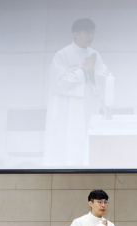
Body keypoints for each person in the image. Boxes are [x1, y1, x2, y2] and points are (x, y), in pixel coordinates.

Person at [44, 18, 109, 167]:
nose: (90, 37)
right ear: (75, 33)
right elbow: (58, 83)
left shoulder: (94, 55)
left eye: (92, 33)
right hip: (67, 109)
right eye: (86, 33)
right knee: (68, 141)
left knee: (87, 137)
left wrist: (92, 72)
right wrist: (82, 71)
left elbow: (104, 78)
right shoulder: (62, 55)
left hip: (88, 105)